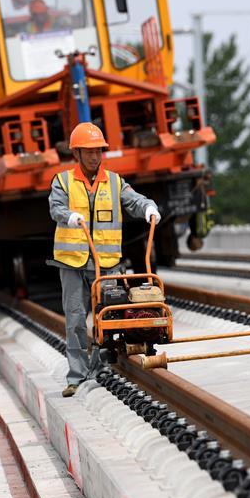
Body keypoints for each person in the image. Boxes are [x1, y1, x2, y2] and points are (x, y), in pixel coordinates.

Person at [48, 122, 160, 397]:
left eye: (98, 151)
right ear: (77, 153)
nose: (95, 157)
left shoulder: (114, 181)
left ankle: (99, 369)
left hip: (107, 263)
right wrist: (68, 216)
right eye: (88, 152)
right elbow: (56, 207)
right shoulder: (62, 181)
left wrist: (147, 207)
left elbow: (132, 200)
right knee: (75, 318)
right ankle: (76, 375)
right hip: (73, 261)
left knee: (106, 316)